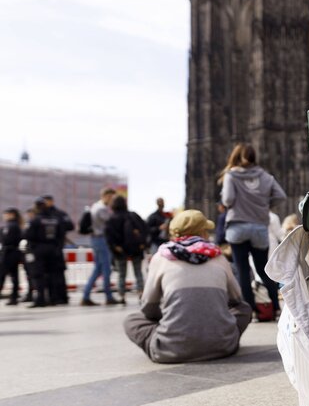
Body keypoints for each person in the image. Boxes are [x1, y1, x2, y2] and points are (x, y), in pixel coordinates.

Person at [123, 209, 251, 363]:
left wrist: (167, 319)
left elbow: (148, 307)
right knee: (244, 308)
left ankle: (173, 338)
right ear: (202, 233)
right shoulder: (218, 257)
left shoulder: (160, 257)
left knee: (131, 320)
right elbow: (236, 300)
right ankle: (218, 337)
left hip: (169, 350)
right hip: (223, 346)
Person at [219, 144, 286, 318]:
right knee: (263, 270)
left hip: (238, 226)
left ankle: (250, 312)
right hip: (259, 228)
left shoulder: (231, 175)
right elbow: (281, 196)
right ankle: (277, 308)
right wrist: (263, 207)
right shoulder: (265, 176)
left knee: (242, 271)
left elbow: (227, 200)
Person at [24, 199, 66, 308]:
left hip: (39, 249)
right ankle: (53, 298)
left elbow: (27, 235)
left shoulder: (35, 220)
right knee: (52, 274)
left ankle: (40, 299)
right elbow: (61, 235)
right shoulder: (55, 219)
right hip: (53, 249)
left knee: (38, 275)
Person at [105, 195, 147, 303]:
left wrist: (115, 247)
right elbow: (144, 228)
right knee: (138, 272)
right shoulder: (133, 215)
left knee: (121, 273)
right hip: (136, 248)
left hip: (120, 250)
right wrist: (142, 243)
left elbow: (109, 236)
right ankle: (141, 292)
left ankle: (122, 296)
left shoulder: (112, 218)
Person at [81, 188, 118, 306]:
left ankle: (86, 295)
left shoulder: (95, 206)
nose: (113, 200)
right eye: (112, 197)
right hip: (101, 239)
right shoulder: (101, 208)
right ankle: (108, 296)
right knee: (106, 269)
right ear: (106, 196)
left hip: (96, 239)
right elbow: (111, 223)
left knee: (98, 269)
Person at [42, 195, 73, 304]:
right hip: (47, 247)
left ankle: (61, 296)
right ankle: (53, 297)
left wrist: (59, 227)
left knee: (58, 272)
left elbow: (70, 225)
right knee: (49, 274)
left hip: (57, 246)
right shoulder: (43, 215)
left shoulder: (59, 214)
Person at [0, 208, 23, 305]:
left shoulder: (11, 226)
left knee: (2, 274)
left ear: (11, 214)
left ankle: (13, 296)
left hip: (9, 252)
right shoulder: (16, 225)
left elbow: (6, 239)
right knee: (14, 275)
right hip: (14, 252)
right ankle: (14, 296)